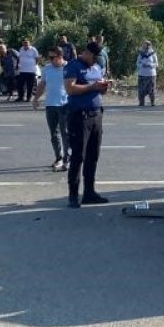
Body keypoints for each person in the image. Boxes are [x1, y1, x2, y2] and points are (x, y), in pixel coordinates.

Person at [64, 41, 110, 207]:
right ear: (87, 53)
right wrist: (92, 86)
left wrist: (103, 87)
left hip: (96, 115)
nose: (96, 60)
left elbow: (99, 88)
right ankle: (73, 195)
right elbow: (70, 88)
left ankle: (89, 192)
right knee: (78, 156)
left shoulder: (96, 67)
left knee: (93, 156)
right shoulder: (74, 66)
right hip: (79, 117)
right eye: (95, 57)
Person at [34, 46, 70, 171]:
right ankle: (58, 158)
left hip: (65, 105)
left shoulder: (69, 68)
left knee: (65, 133)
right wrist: (36, 99)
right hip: (50, 105)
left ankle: (67, 158)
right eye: (49, 57)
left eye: (52, 57)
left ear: (60, 56)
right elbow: (42, 84)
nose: (49, 59)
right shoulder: (47, 69)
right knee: (54, 135)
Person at [136, 40, 159, 107]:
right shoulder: (141, 53)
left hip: (151, 74)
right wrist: (142, 65)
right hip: (142, 74)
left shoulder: (153, 53)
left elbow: (156, 64)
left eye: (148, 44)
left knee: (152, 89)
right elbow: (137, 63)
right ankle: (141, 103)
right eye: (146, 44)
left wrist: (150, 65)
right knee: (141, 90)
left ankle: (152, 102)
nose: (147, 46)